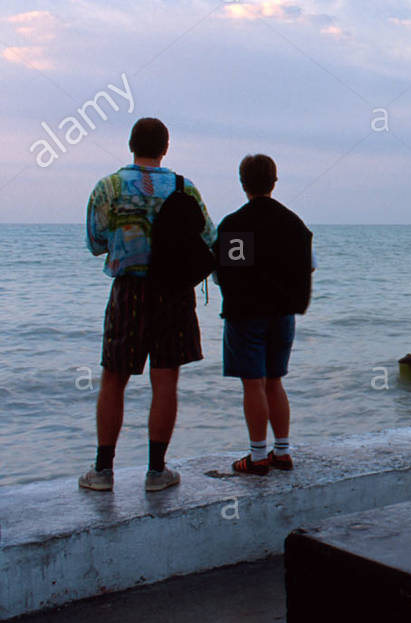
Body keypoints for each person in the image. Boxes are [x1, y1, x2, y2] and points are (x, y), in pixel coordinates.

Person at [81, 117, 216, 492]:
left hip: (128, 291)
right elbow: (209, 236)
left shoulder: (108, 186)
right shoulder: (183, 188)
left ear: (130, 144)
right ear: (165, 148)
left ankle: (103, 471)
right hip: (173, 293)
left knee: (114, 378)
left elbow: (95, 242)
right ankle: (157, 472)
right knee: (165, 380)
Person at [213, 154, 313, 475]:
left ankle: (257, 458)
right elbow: (308, 265)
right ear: (275, 181)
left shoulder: (235, 224)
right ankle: (282, 451)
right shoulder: (293, 223)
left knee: (253, 384)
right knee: (275, 382)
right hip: (283, 314)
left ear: (243, 183)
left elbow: (225, 273)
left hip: (246, 313)